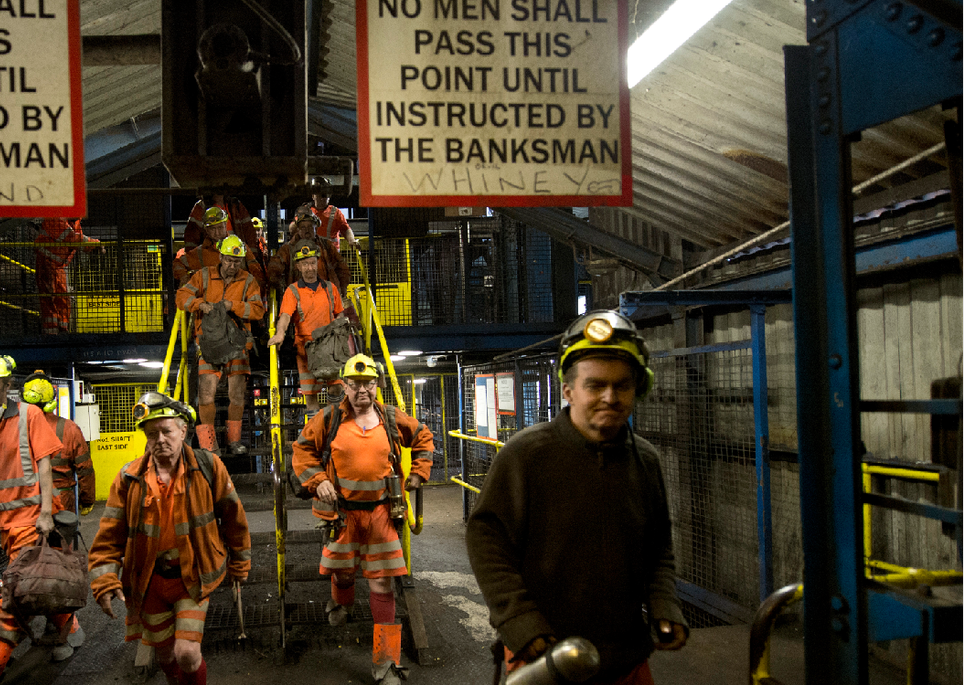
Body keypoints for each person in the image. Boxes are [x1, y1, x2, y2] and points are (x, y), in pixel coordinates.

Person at [465, 310, 688, 685]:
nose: (610, 397)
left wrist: (665, 604)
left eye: (623, 386)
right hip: (545, 658)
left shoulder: (644, 460)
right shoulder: (526, 455)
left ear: (639, 388)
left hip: (626, 658)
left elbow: (658, 547)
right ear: (568, 391)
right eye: (595, 385)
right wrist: (519, 621)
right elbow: (487, 541)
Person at [290, 355, 434, 685]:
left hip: (382, 513)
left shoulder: (390, 417)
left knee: (383, 585)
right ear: (343, 386)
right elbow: (301, 450)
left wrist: (419, 473)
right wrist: (318, 480)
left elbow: (423, 436)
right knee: (342, 573)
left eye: (368, 383)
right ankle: (342, 600)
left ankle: (386, 665)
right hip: (342, 515)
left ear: (378, 384)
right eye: (354, 384)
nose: (361, 390)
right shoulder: (328, 418)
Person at [88, 392, 251, 685]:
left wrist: (240, 563)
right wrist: (104, 580)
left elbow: (234, 518)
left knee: (187, 653)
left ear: (183, 431)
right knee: (165, 656)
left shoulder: (208, 467)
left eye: (167, 431)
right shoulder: (129, 477)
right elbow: (108, 536)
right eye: (152, 433)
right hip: (149, 581)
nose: (160, 439)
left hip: (192, 577)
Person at [0, 347, 84, 685]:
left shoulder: (29, 415)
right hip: (7, 528)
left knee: (15, 595)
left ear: (7, 383)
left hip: (35, 520)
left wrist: (45, 511)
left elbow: (44, 463)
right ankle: (67, 627)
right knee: (40, 585)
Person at [175, 235, 266, 455]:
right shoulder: (203, 276)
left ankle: (234, 441)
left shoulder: (248, 281)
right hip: (209, 344)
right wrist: (200, 304)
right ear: (221, 257)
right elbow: (181, 296)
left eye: (237, 262)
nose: (232, 266)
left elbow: (258, 310)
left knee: (237, 394)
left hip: (237, 344)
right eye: (228, 260)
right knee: (206, 395)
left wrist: (232, 305)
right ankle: (209, 445)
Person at [266, 244, 346, 416]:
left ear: (317, 263)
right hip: (306, 349)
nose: (309, 267)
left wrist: (341, 332)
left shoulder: (330, 288)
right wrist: (280, 334)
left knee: (336, 388)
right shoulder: (293, 290)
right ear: (298, 267)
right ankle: (316, 436)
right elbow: (285, 316)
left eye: (312, 263)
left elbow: (339, 314)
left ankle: (335, 425)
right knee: (311, 396)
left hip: (330, 348)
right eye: (305, 264)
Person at [22, 370, 95, 515]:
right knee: (62, 536)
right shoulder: (69, 428)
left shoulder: (15, 428)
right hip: (61, 500)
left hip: (27, 501)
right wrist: (87, 500)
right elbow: (85, 468)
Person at [34, 218, 104, 335]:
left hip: (58, 265)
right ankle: (51, 332)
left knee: (63, 298)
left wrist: (91, 247)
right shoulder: (56, 217)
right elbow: (71, 238)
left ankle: (62, 329)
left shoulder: (74, 222)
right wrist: (95, 244)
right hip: (46, 261)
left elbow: (78, 239)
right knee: (51, 297)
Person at [174, 206, 267, 288]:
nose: (217, 232)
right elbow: (178, 263)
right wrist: (184, 277)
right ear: (206, 230)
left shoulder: (240, 247)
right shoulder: (199, 253)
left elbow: (256, 272)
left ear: (225, 225)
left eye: (220, 228)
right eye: (213, 229)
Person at [269, 207, 351, 293]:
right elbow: (274, 268)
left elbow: (342, 267)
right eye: (303, 227)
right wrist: (281, 288)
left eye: (310, 226)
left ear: (316, 228)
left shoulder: (327, 246)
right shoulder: (287, 249)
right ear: (298, 229)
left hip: (325, 295)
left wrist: (343, 287)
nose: (307, 230)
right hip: (299, 297)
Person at [184, 193, 259, 259]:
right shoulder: (201, 207)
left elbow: (250, 233)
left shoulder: (235, 205)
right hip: (210, 256)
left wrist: (252, 257)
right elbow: (191, 238)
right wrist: (192, 259)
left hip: (236, 255)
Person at [309, 176, 357, 247]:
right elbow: (294, 228)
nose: (322, 199)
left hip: (331, 255)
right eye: (319, 195)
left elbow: (345, 229)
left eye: (324, 196)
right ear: (313, 196)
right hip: (312, 255)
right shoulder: (307, 211)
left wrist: (352, 240)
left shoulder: (335, 213)